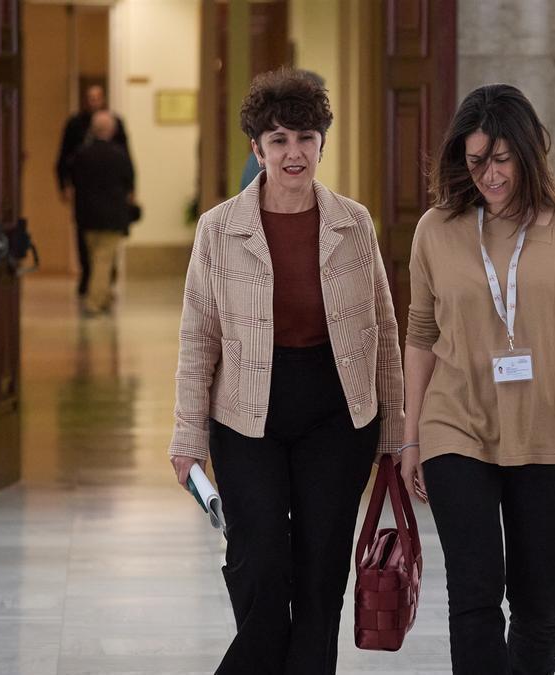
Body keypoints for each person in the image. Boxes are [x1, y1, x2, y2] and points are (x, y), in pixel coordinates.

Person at [167, 68, 405, 675]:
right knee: (260, 562)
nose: (293, 153)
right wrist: (187, 435)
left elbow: (382, 328)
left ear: (323, 142)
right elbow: (199, 336)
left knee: (322, 572)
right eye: (278, 140)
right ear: (258, 149)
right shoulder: (219, 228)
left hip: (336, 412)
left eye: (305, 138)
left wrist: (396, 431)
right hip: (249, 415)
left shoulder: (355, 224)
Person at [398, 83, 555, 674]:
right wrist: (410, 437)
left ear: (529, 153)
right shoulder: (436, 227)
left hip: (551, 427)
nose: (489, 176)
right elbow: (422, 333)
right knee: (474, 596)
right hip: (457, 425)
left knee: (540, 601)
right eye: (476, 161)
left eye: (501, 160)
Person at [56, 84, 131, 297]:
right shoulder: (75, 128)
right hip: (88, 198)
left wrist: (130, 191)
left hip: (108, 198)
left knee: (104, 250)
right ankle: (94, 286)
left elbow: (128, 164)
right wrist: (64, 185)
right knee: (90, 247)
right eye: (90, 97)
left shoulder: (117, 136)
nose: (94, 101)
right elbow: (63, 160)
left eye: (98, 97)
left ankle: (100, 288)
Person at [70, 111, 134, 316]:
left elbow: (74, 181)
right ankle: (94, 302)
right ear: (112, 130)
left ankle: (104, 297)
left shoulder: (81, 154)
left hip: (87, 215)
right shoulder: (119, 154)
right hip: (112, 216)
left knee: (94, 257)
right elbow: (129, 183)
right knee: (104, 259)